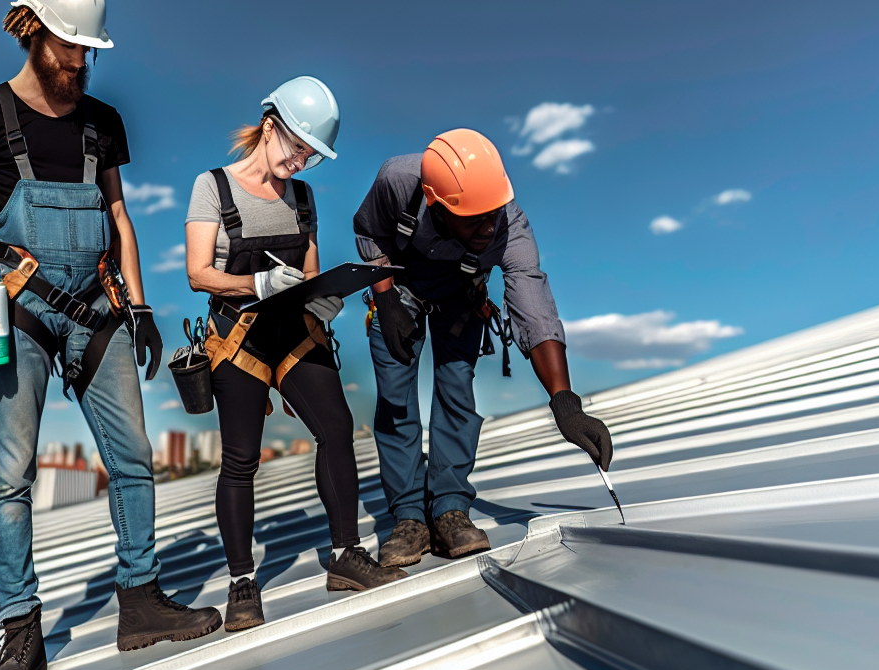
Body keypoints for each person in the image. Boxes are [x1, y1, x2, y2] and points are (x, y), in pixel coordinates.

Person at [0, 0, 220, 670]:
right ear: (34, 31)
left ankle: (140, 600)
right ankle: (21, 631)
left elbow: (119, 219)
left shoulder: (104, 122)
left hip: (98, 308)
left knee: (134, 461)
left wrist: (143, 309)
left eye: (90, 50)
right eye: (69, 47)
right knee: (12, 477)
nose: (81, 62)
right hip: (13, 309)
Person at [185, 76, 406, 631]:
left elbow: (306, 275)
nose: (302, 162)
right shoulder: (213, 186)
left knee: (336, 428)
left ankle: (346, 556)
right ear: (269, 126)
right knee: (240, 459)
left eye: (311, 155)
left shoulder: (302, 199)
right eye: (297, 147)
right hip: (239, 337)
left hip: (294, 332)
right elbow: (197, 274)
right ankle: (242, 584)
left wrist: (323, 298)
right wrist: (257, 284)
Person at [354, 129, 615, 566]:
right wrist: (384, 299)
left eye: (493, 214)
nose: (489, 226)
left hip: (460, 295)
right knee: (396, 401)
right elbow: (371, 232)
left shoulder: (510, 224)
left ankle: (449, 510)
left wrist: (565, 404)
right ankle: (409, 518)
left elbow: (532, 302)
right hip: (396, 292)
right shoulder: (396, 181)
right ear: (436, 202)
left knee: (456, 391)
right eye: (475, 218)